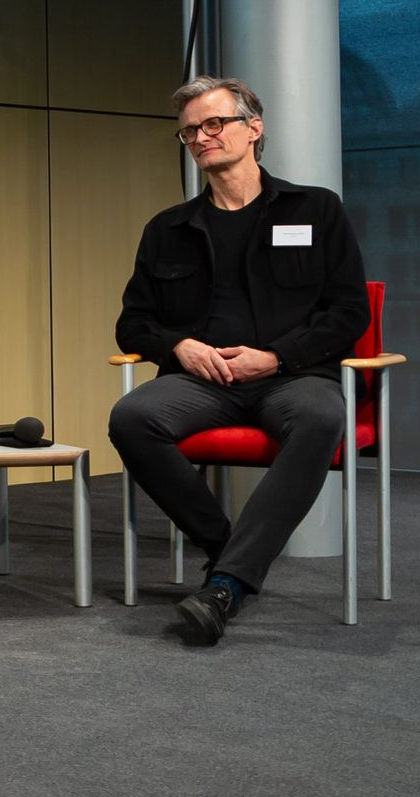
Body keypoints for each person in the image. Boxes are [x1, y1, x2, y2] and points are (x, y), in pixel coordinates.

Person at [109, 74, 368, 645]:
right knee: (132, 417)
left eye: (213, 123)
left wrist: (275, 357)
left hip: (292, 376)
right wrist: (179, 347)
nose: (200, 138)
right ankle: (226, 550)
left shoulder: (316, 210)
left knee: (322, 416)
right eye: (189, 132)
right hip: (204, 381)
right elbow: (133, 322)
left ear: (254, 129)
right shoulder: (168, 229)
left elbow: (350, 313)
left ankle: (226, 584)